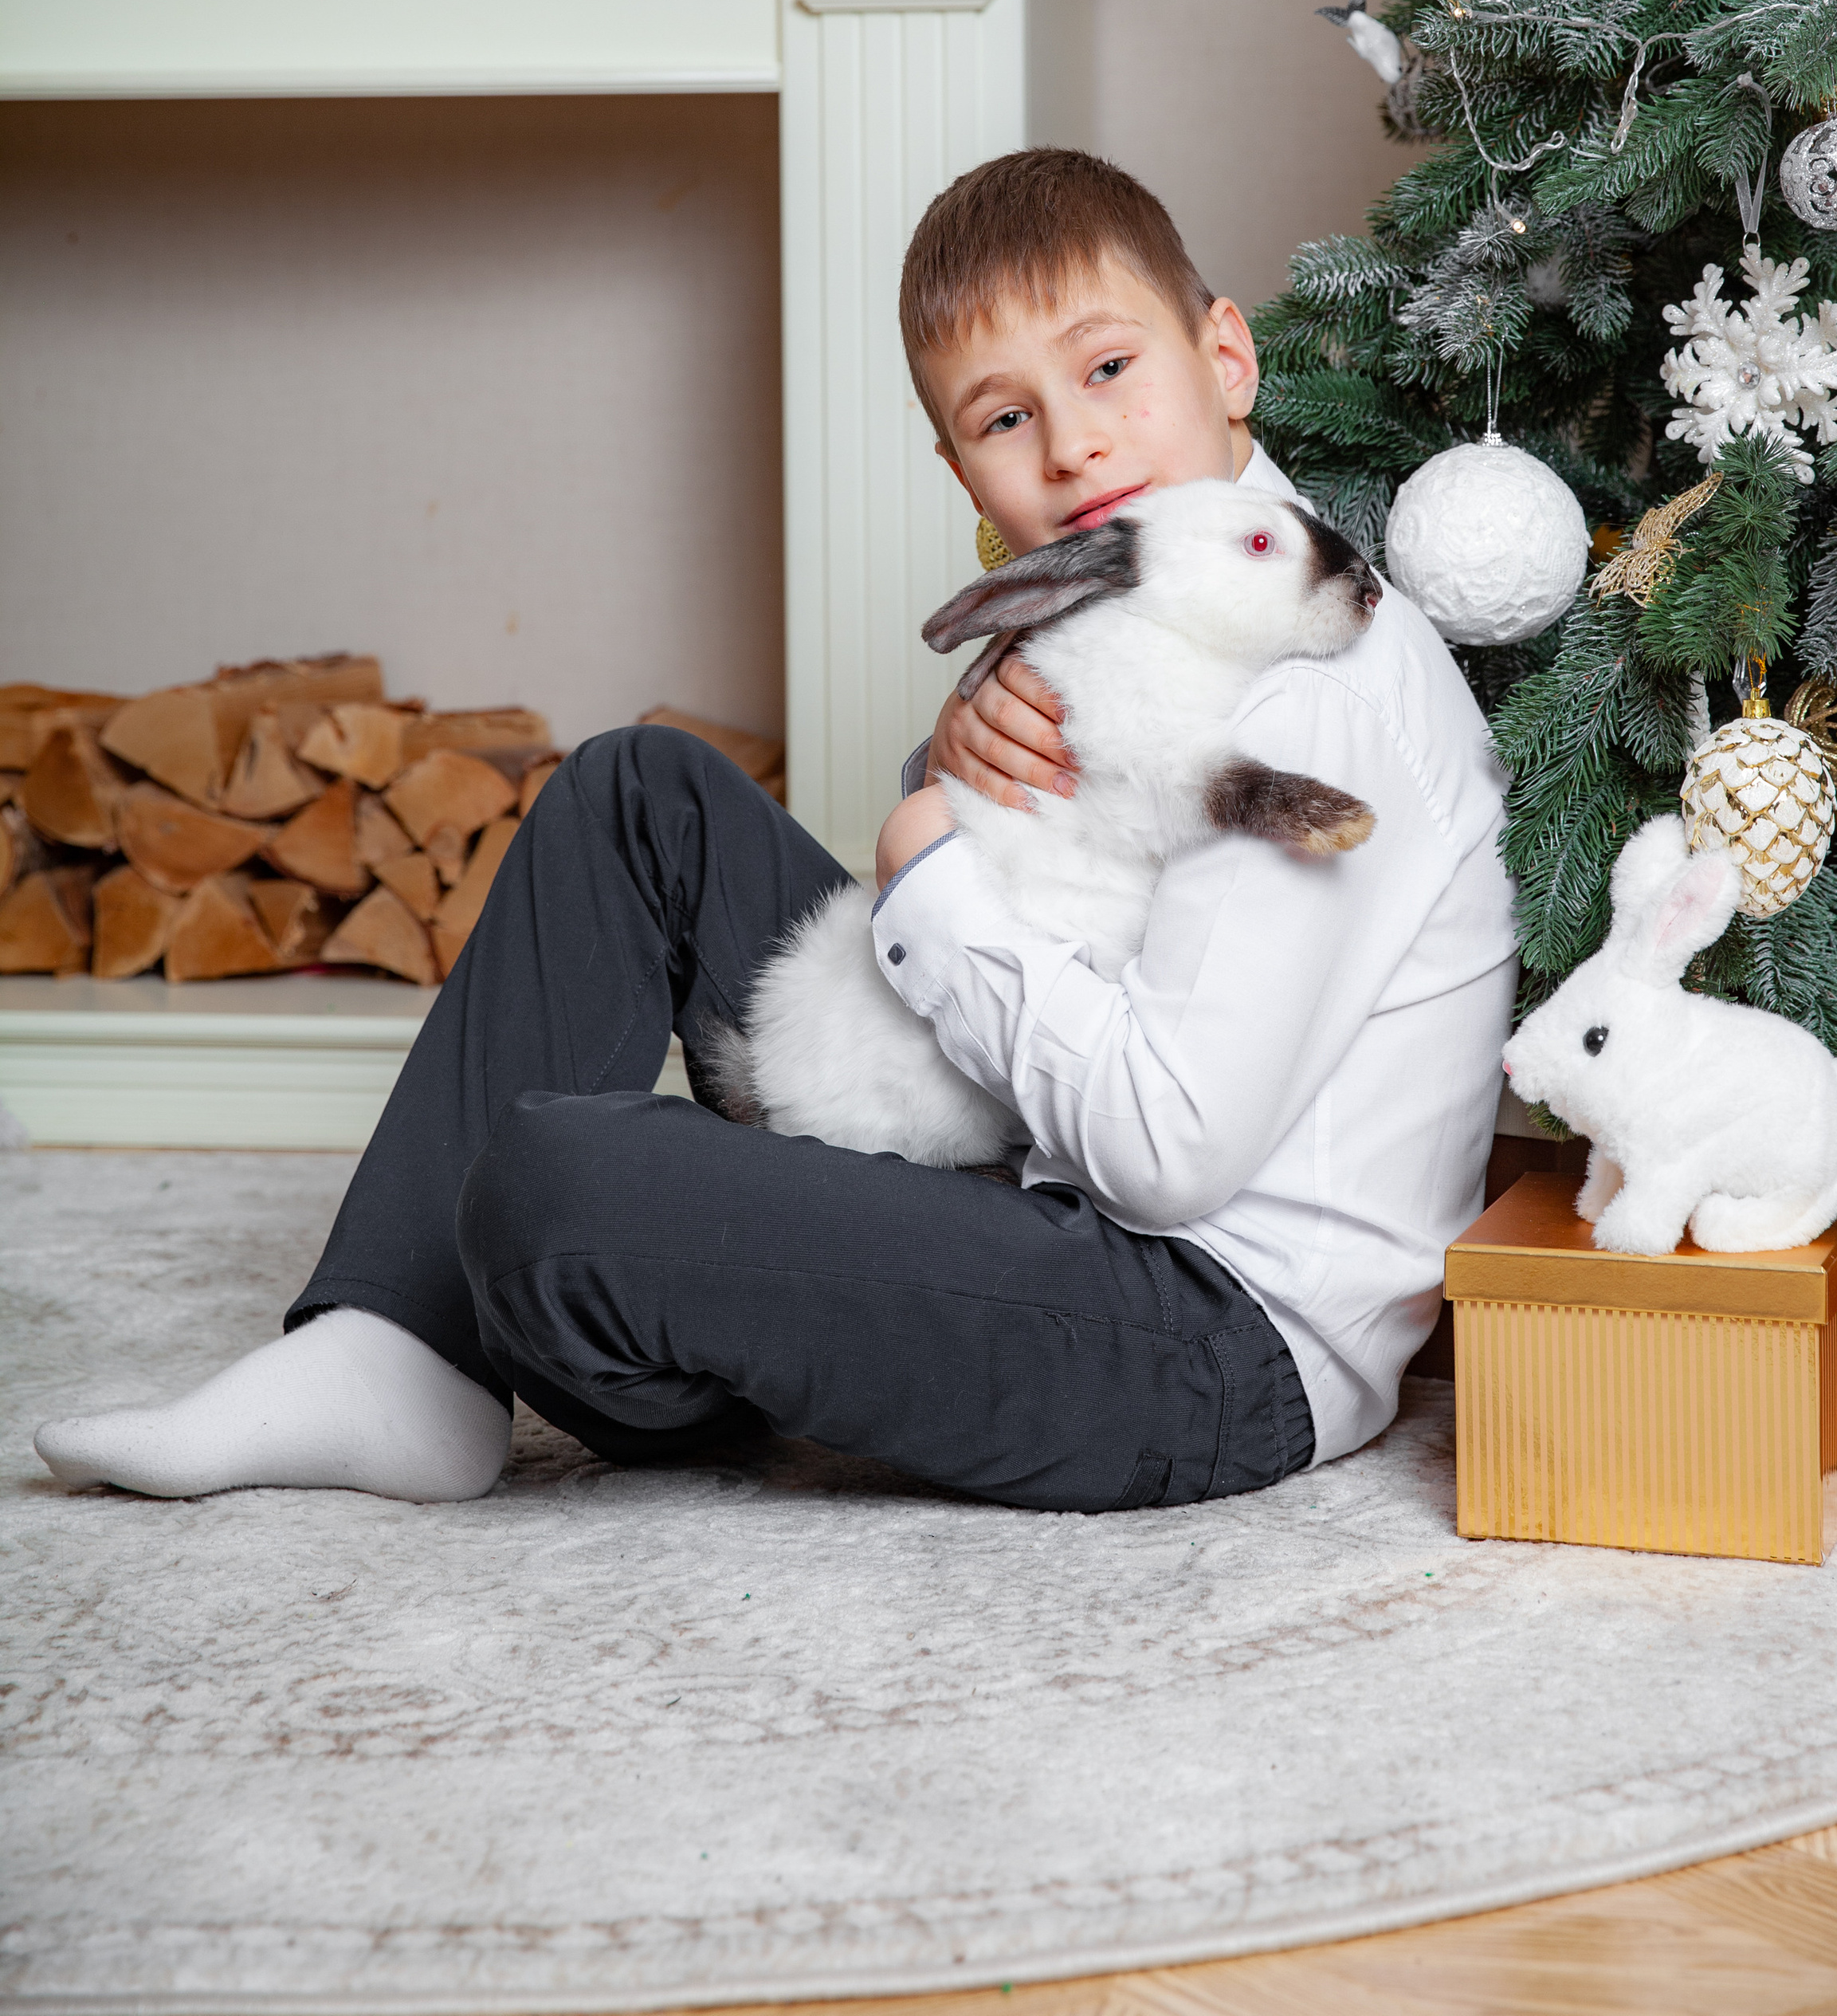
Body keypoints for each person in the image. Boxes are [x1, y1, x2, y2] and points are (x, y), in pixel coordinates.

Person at [33, 151, 1516, 1516]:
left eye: (1111, 368)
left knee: (561, 1183)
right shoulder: (1134, 595)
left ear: (1228, 355)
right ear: (964, 476)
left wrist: (926, 872)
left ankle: (682, 1315)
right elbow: (1067, 878)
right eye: (1006, 418)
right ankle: (396, 1351)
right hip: (1028, 1165)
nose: (1073, 447)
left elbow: (1165, 1154)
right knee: (637, 793)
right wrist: (954, 777)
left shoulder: (1310, 691)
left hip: (1214, 1337)